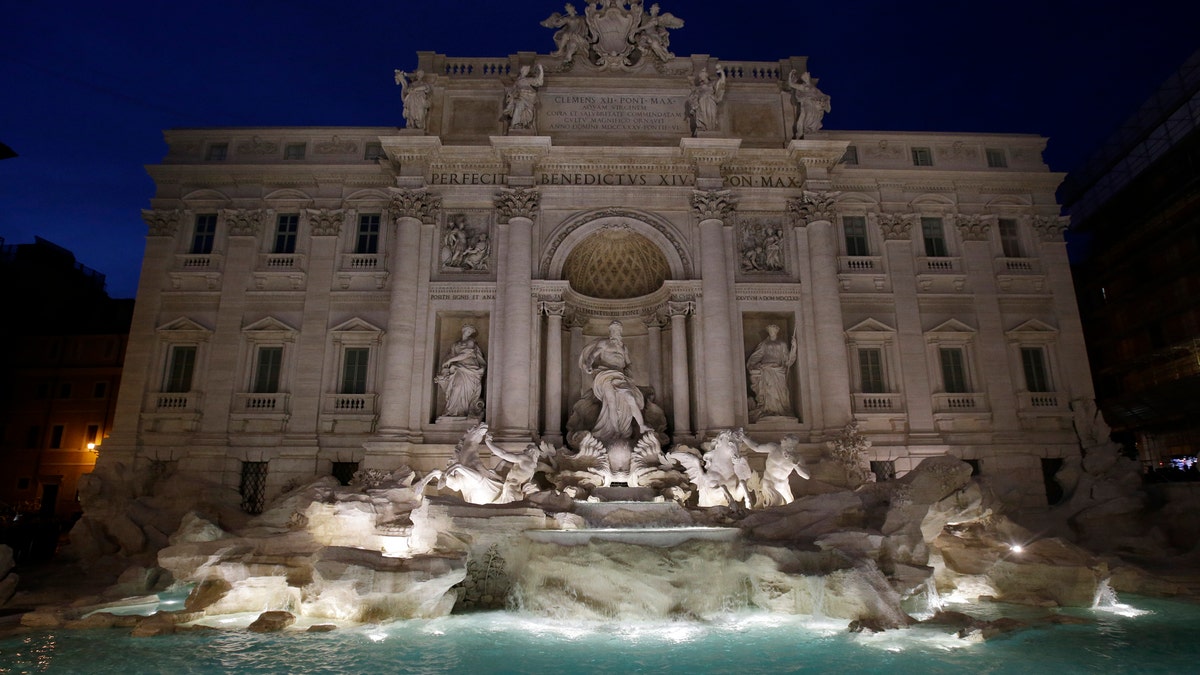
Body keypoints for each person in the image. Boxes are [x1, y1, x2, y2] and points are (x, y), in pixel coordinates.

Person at [579, 320, 651, 441]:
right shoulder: (604, 343)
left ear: (621, 332)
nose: (615, 332)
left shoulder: (623, 347)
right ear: (610, 331)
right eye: (613, 330)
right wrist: (589, 365)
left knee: (630, 398)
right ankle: (616, 432)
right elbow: (592, 355)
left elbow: (628, 363)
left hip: (621, 376)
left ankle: (642, 425)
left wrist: (629, 373)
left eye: (618, 330)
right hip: (606, 375)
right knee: (611, 403)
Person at [746, 324, 798, 420]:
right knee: (768, 390)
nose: (772, 332)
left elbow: (787, 360)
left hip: (779, 371)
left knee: (781, 391)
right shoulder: (764, 344)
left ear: (776, 332)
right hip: (766, 369)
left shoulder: (782, 344)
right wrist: (753, 365)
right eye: (770, 331)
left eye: (774, 330)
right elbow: (756, 356)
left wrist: (794, 348)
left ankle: (780, 411)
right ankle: (768, 410)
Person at [435, 325, 486, 417]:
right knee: (456, 388)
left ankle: (463, 412)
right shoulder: (455, 344)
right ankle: (452, 411)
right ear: (463, 331)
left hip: (470, 368)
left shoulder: (471, 342)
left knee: (462, 389)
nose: (469, 333)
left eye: (470, 332)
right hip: (458, 368)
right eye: (468, 331)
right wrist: (446, 365)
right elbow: (450, 355)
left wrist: (450, 361)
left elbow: (466, 354)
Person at [787, 69, 830, 140]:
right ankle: (807, 129)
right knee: (808, 115)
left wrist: (823, 100)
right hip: (807, 104)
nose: (806, 77)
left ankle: (812, 130)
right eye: (804, 77)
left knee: (814, 117)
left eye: (806, 76)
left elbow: (822, 95)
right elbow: (791, 84)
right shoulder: (803, 86)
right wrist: (790, 75)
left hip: (815, 106)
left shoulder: (814, 88)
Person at [502, 64, 544, 131]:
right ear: (522, 71)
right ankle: (516, 124)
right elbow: (512, 91)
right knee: (519, 105)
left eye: (527, 71)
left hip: (529, 99)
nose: (526, 72)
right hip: (520, 98)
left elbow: (540, 82)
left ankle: (525, 124)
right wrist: (511, 95)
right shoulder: (517, 82)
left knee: (528, 111)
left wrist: (541, 69)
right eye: (525, 70)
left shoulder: (528, 80)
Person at [686, 65, 726, 134]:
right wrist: (694, 106)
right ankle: (705, 128)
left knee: (711, 116)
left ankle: (711, 128)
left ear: (706, 76)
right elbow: (693, 97)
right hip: (702, 102)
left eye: (702, 76)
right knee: (703, 114)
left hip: (711, 101)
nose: (701, 78)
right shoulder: (698, 88)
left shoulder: (712, 84)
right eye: (700, 76)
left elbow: (722, 84)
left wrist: (722, 72)